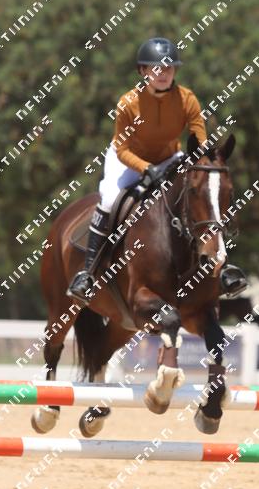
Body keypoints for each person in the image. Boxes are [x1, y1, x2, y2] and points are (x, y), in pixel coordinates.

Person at [67, 37, 247, 305]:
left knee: (201, 194)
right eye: (157, 68)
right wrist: (146, 169)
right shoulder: (128, 102)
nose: (163, 74)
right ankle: (88, 273)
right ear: (143, 71)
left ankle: (221, 266)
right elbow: (122, 149)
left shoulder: (187, 99)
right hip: (127, 159)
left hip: (169, 157)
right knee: (109, 200)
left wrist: (205, 162)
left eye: (169, 68)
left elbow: (199, 139)